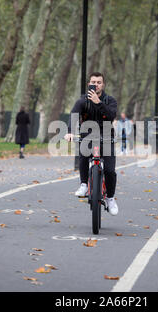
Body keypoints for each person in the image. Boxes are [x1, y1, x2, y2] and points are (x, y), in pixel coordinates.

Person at [65, 72, 118, 215]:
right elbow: (74, 115)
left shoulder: (110, 100)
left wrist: (98, 103)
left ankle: (110, 198)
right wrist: (70, 131)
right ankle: (84, 184)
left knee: (110, 170)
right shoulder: (82, 101)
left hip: (106, 136)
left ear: (103, 85)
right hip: (87, 135)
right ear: (89, 84)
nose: (96, 84)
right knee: (83, 154)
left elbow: (111, 115)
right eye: (93, 82)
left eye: (99, 82)